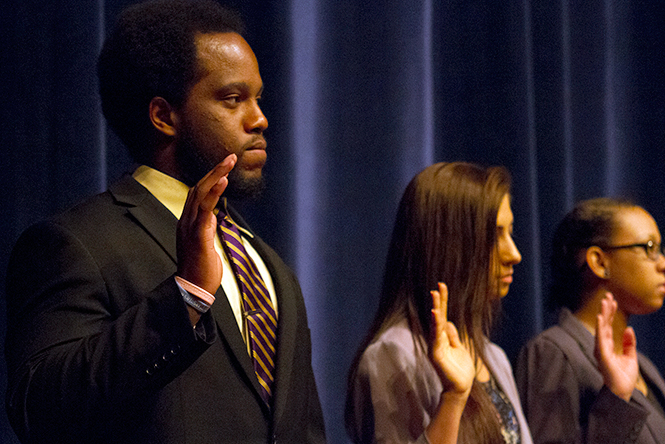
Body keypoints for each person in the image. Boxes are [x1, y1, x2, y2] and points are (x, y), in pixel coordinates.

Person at [4, 1, 325, 443]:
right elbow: (40, 411)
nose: (259, 119)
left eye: (258, 99)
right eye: (233, 99)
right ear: (162, 116)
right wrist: (186, 297)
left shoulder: (268, 265)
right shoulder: (75, 244)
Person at [345, 162, 533, 444]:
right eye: (495, 235)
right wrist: (454, 399)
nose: (514, 254)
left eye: (510, 233)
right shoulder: (395, 354)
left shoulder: (495, 358)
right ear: (453, 244)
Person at [516, 198, 665, 444]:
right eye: (649, 248)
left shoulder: (643, 365)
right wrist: (616, 396)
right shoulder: (553, 352)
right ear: (599, 261)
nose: (662, 264)